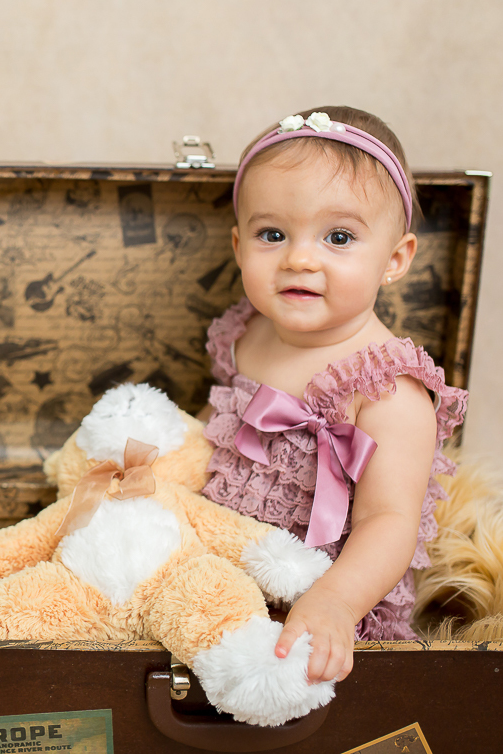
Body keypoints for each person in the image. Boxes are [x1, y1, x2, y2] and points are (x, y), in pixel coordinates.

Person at [200, 106, 468, 687]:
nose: (299, 257)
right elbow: (214, 429)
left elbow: (389, 520)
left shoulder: (388, 389)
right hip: (225, 565)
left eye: (339, 237)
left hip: (330, 586)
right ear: (239, 245)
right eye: (272, 234)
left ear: (394, 260)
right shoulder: (246, 334)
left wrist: (338, 603)